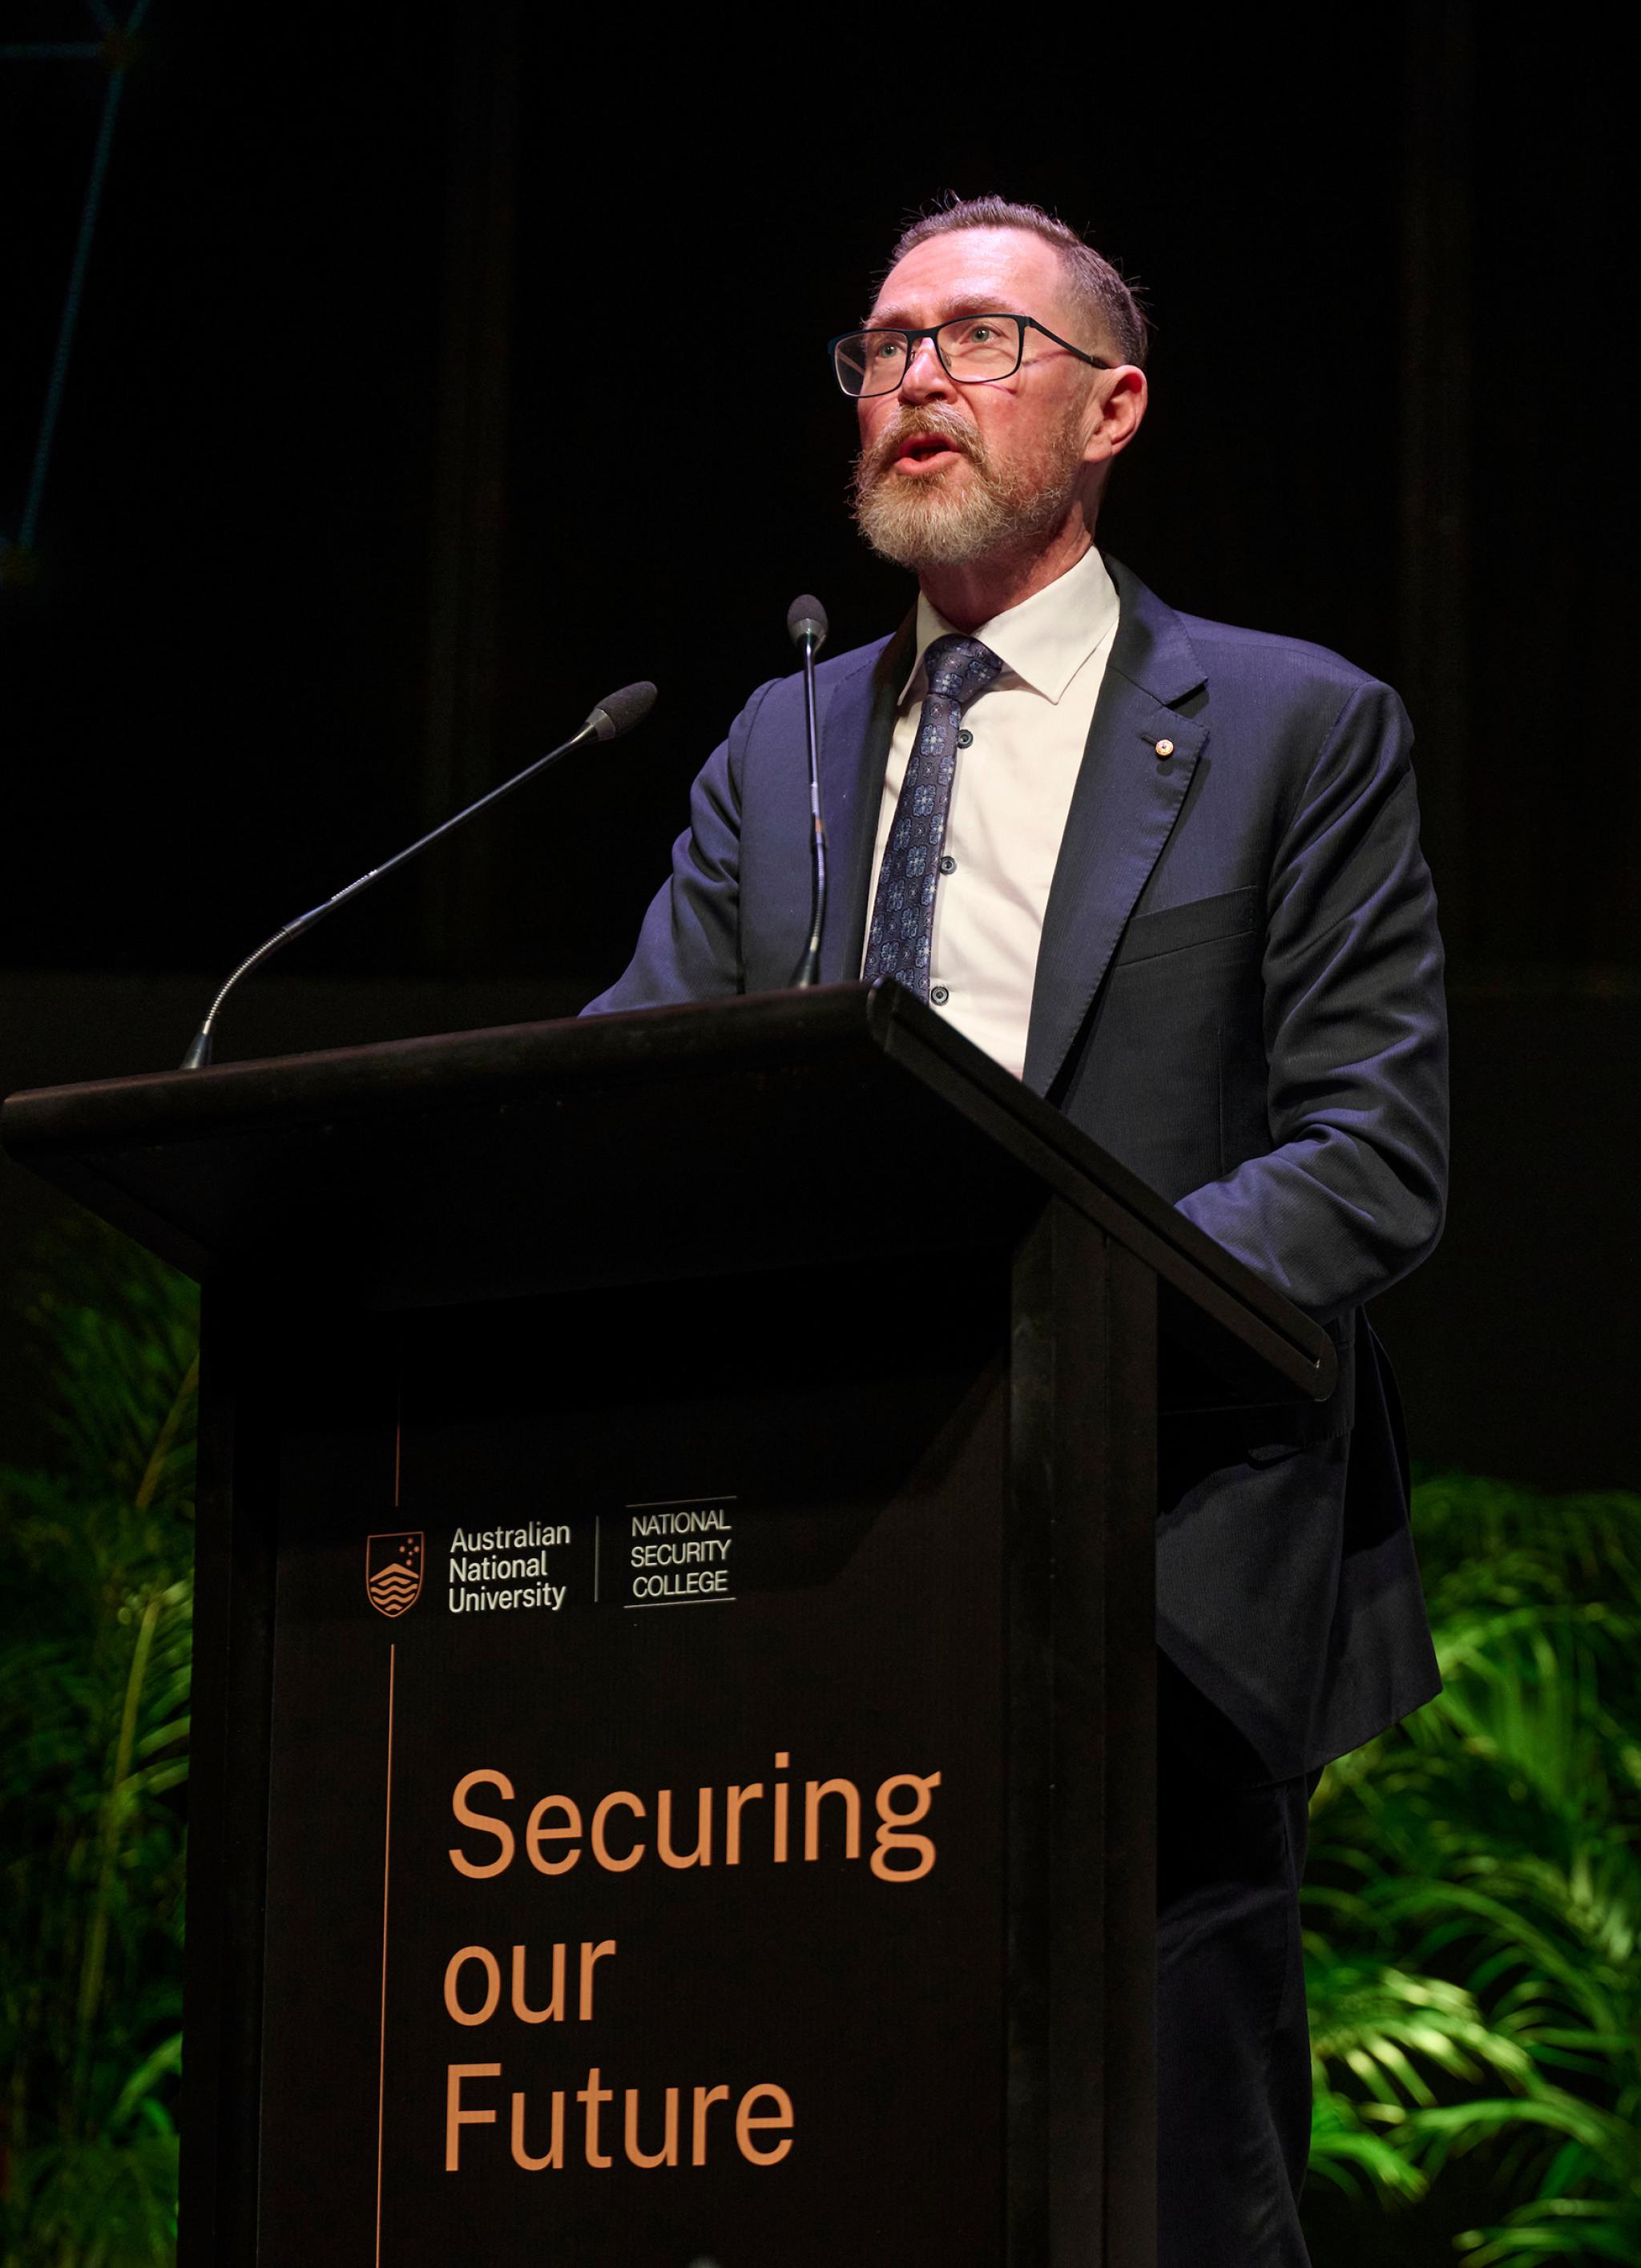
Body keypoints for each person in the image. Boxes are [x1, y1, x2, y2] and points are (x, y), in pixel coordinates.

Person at [585, 195, 1448, 2266]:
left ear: (1113, 404)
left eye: (979, 340)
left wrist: (1055, 1330)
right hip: (822, 1566)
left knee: (1161, 2201)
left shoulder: (1287, 727)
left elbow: (1369, 1151)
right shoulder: (781, 744)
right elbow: (629, 1105)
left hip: (1148, 1562)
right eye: (883, 350)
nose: (916, 384)